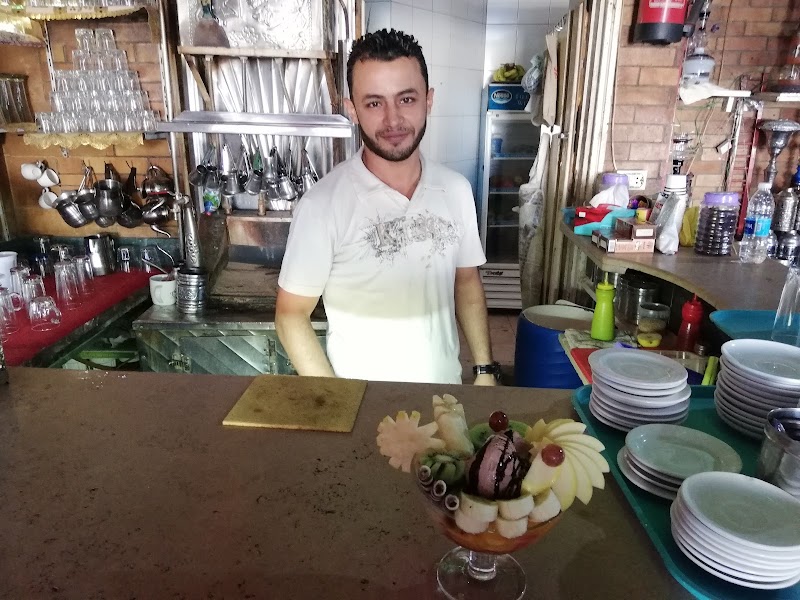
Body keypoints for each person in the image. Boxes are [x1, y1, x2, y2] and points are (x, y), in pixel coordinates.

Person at [275, 28, 498, 386]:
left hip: (445, 397)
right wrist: (338, 402)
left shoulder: (456, 191)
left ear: (429, 100)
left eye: (406, 99)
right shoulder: (322, 206)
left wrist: (484, 369)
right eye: (374, 103)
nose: (393, 120)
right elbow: (290, 316)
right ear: (352, 109)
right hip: (362, 407)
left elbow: (467, 282)